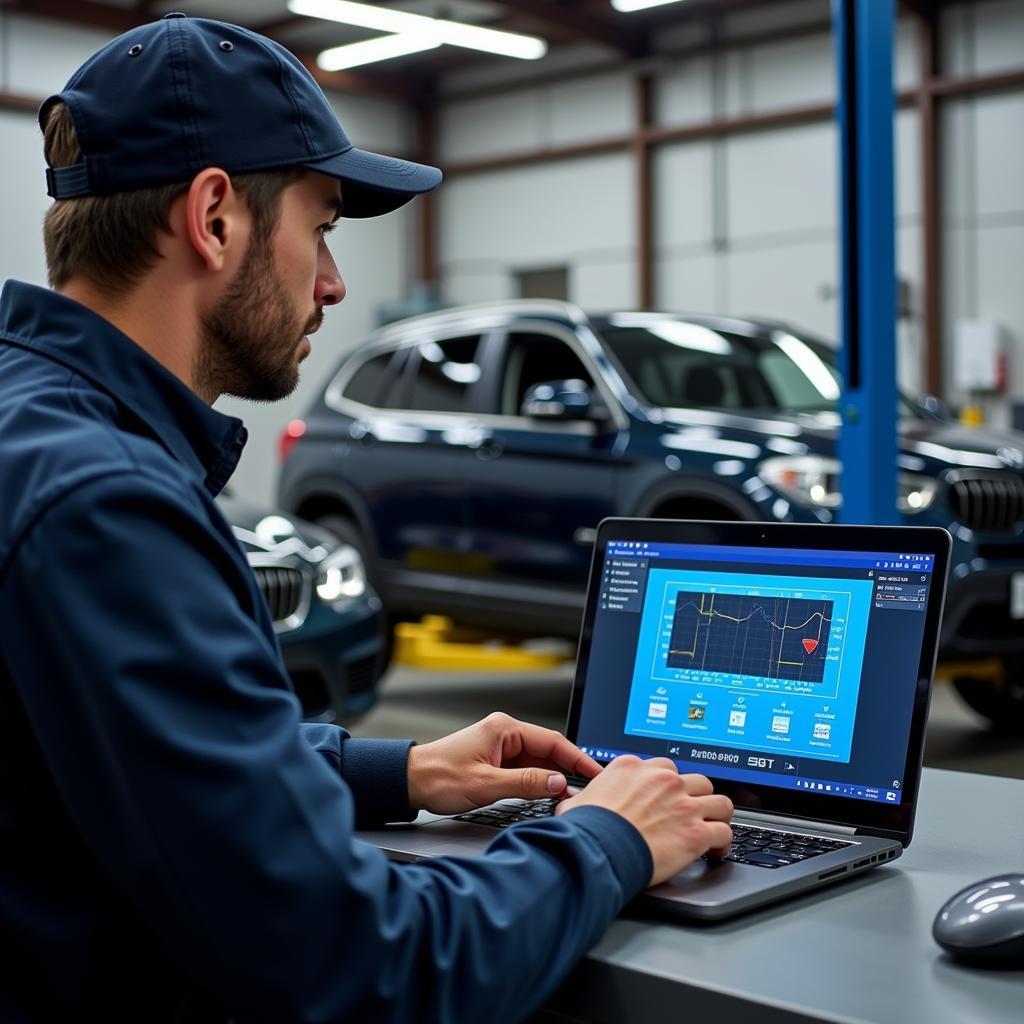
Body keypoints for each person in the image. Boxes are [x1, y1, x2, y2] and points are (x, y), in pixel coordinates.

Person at [0, 14, 734, 1023]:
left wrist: (405, 769)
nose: (335, 283)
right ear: (214, 217)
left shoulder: (33, 430)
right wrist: (609, 836)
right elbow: (362, 969)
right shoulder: (104, 504)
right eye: (325, 226)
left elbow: (140, 751)